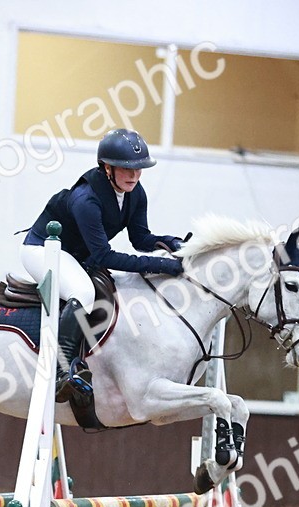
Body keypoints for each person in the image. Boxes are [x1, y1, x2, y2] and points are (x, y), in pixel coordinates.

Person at [14, 128, 185, 403]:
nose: (134, 175)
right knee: (82, 292)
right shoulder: (86, 199)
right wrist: (160, 266)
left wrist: (169, 243)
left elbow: (140, 238)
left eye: (139, 169)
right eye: (127, 169)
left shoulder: (135, 193)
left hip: (79, 254)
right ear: (107, 167)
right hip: (43, 249)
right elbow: (104, 256)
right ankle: (62, 370)